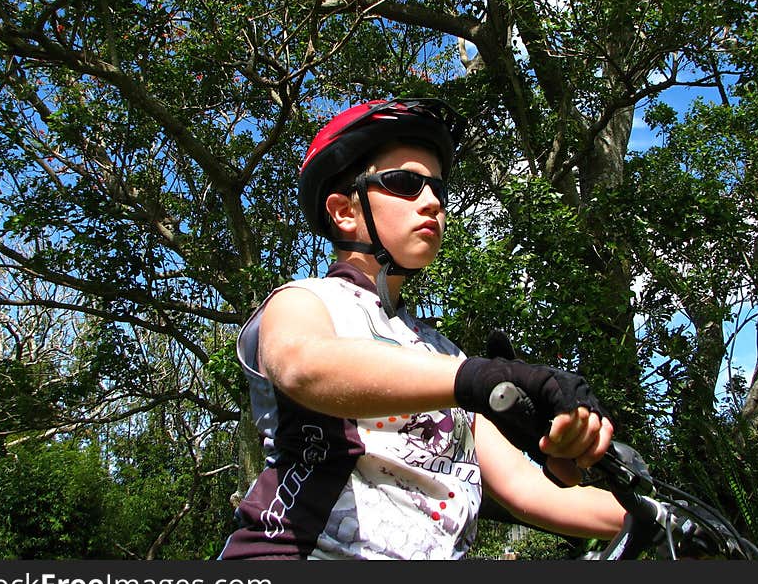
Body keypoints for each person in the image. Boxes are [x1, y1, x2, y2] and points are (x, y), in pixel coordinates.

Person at [218, 98, 625, 560]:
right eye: (406, 184)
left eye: (437, 189)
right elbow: (303, 367)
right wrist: (481, 377)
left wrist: (655, 515)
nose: (432, 202)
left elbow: (531, 492)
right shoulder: (305, 301)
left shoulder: (442, 354)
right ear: (344, 212)